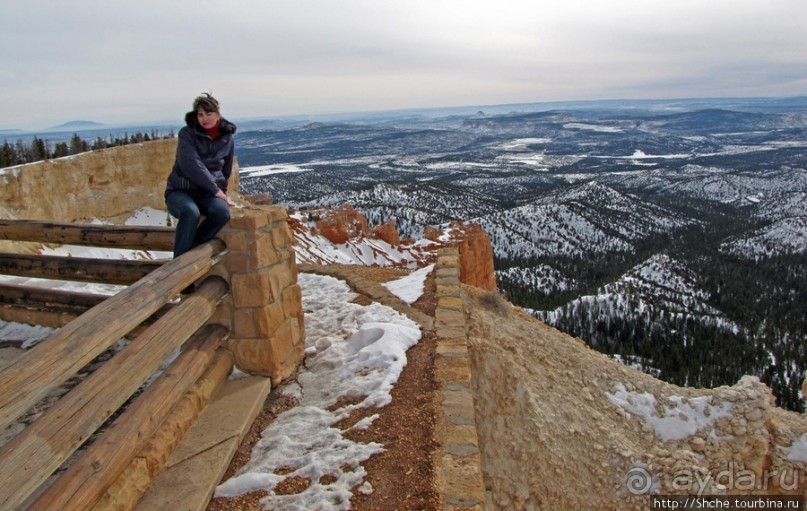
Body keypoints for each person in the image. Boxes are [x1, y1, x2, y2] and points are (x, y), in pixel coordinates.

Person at [165, 93, 237, 258]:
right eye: (200, 115)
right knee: (190, 212)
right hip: (180, 190)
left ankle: (189, 254)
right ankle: (179, 269)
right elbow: (191, 164)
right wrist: (215, 189)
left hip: (206, 193)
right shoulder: (187, 134)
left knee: (222, 213)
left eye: (208, 113)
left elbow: (225, 169)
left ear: (217, 114)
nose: (204, 118)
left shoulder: (227, 137)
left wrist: (222, 193)